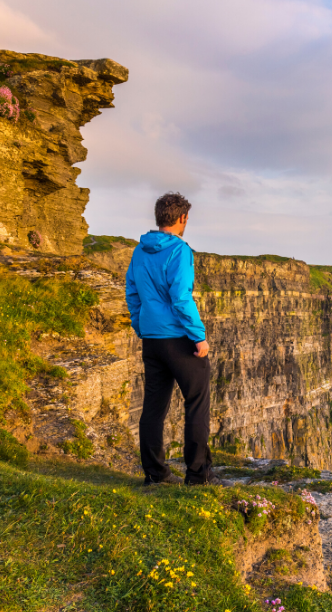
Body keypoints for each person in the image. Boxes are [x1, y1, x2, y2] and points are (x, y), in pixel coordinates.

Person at [125, 192, 220, 486]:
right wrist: (199, 337)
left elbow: (132, 292)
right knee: (197, 402)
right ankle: (196, 475)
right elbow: (180, 298)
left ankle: (155, 474)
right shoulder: (180, 251)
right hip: (179, 339)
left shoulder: (140, 251)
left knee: (154, 406)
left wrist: (141, 325)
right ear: (183, 218)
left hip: (152, 340)